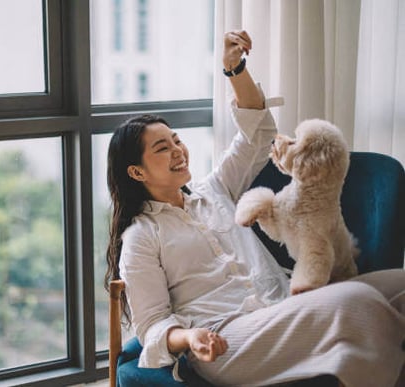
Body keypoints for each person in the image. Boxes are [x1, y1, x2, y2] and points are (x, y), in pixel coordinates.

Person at [105, 30, 405, 386]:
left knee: (399, 286)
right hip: (227, 339)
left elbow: (257, 133)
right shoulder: (141, 235)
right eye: (161, 148)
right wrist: (190, 339)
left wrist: (235, 69)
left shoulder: (215, 189)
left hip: (282, 308)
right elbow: (153, 324)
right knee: (357, 304)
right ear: (137, 172)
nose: (177, 151)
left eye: (177, 140)